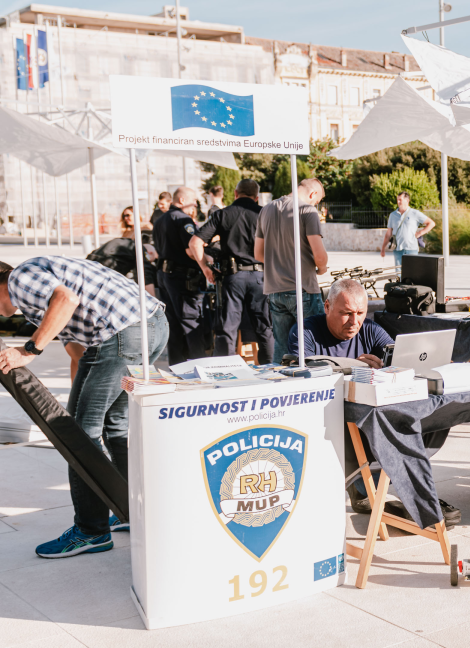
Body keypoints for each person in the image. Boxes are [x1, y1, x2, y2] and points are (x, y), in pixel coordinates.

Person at [0, 257, 167, 558]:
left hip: (122, 334)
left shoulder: (19, 278)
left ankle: (91, 531)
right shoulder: (36, 298)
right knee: (114, 426)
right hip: (150, 327)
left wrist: (28, 350)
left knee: (78, 438)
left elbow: (66, 299)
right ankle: (131, 511)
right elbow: (79, 355)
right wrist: (80, 403)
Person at [288, 278, 458, 523]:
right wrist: (353, 367)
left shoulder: (369, 329)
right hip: (329, 421)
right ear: (327, 307)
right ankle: (368, 487)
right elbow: (301, 373)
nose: (354, 321)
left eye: (360, 313)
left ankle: (390, 490)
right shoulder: (306, 331)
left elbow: (397, 357)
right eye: (346, 313)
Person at [189, 179, 273, 363]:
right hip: (260, 277)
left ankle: (225, 370)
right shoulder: (264, 214)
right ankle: (270, 369)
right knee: (264, 328)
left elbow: (194, 243)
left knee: (227, 329)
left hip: (233, 278)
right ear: (256, 197)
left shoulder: (222, 214)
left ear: (235, 194)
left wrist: (205, 268)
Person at [255, 178, 329, 363]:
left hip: (274, 290)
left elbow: (258, 254)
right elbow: (320, 256)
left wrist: (279, 263)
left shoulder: (266, 209)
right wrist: (322, 268)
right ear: (313, 194)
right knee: (315, 341)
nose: (316, 204)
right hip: (303, 288)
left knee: (281, 345)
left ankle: (279, 378)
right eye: (317, 200)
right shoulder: (307, 210)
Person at [152, 186, 207, 364]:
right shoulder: (183, 220)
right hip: (182, 277)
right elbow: (190, 250)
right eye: (194, 202)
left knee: (173, 325)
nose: (195, 206)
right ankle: (200, 365)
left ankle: (177, 366)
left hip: (164, 276)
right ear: (182, 200)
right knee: (191, 321)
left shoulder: (160, 220)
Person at [379, 192, 435, 266]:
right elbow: (388, 234)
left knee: (412, 271)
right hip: (397, 250)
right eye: (397, 200)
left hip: (411, 249)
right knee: (399, 272)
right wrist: (383, 248)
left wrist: (420, 233)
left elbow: (431, 223)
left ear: (407, 200)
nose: (398, 202)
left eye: (400, 200)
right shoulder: (392, 215)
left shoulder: (415, 213)